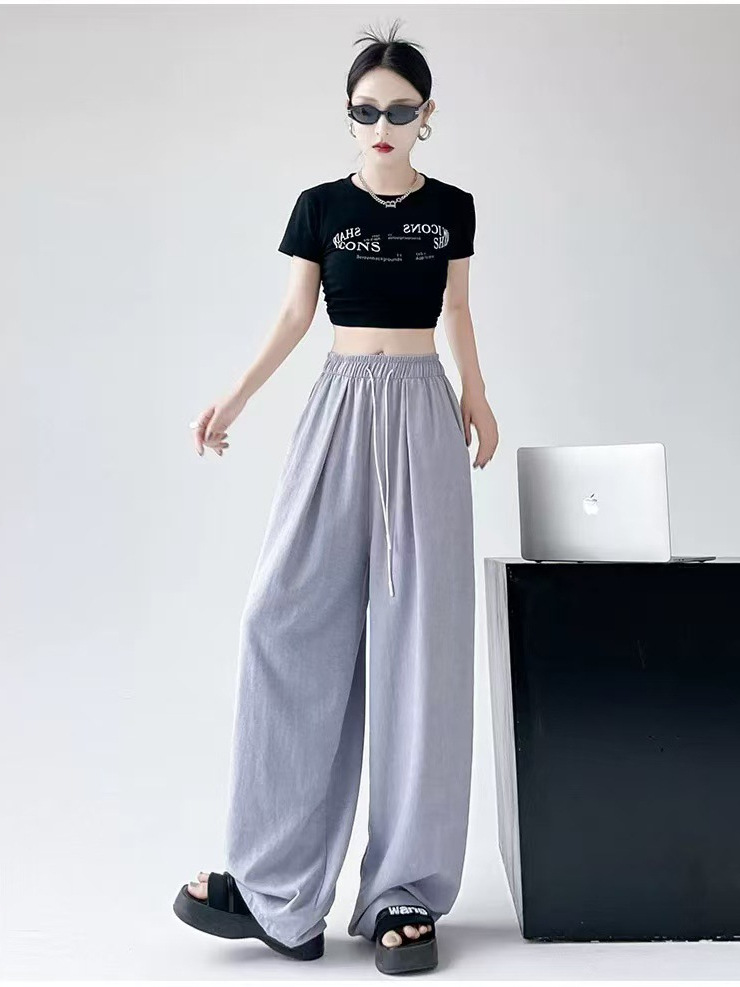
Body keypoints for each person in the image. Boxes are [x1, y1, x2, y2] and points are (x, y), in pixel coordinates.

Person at [172, 19, 500, 976]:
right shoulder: (319, 207)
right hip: (340, 405)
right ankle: (278, 886)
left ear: (427, 116)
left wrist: (477, 396)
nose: (382, 127)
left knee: (422, 643)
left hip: (423, 408)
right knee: (282, 616)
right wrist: (234, 397)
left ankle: (405, 890)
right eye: (366, 111)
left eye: (400, 111)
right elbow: (293, 313)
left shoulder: (451, 209)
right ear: (348, 116)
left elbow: (458, 309)